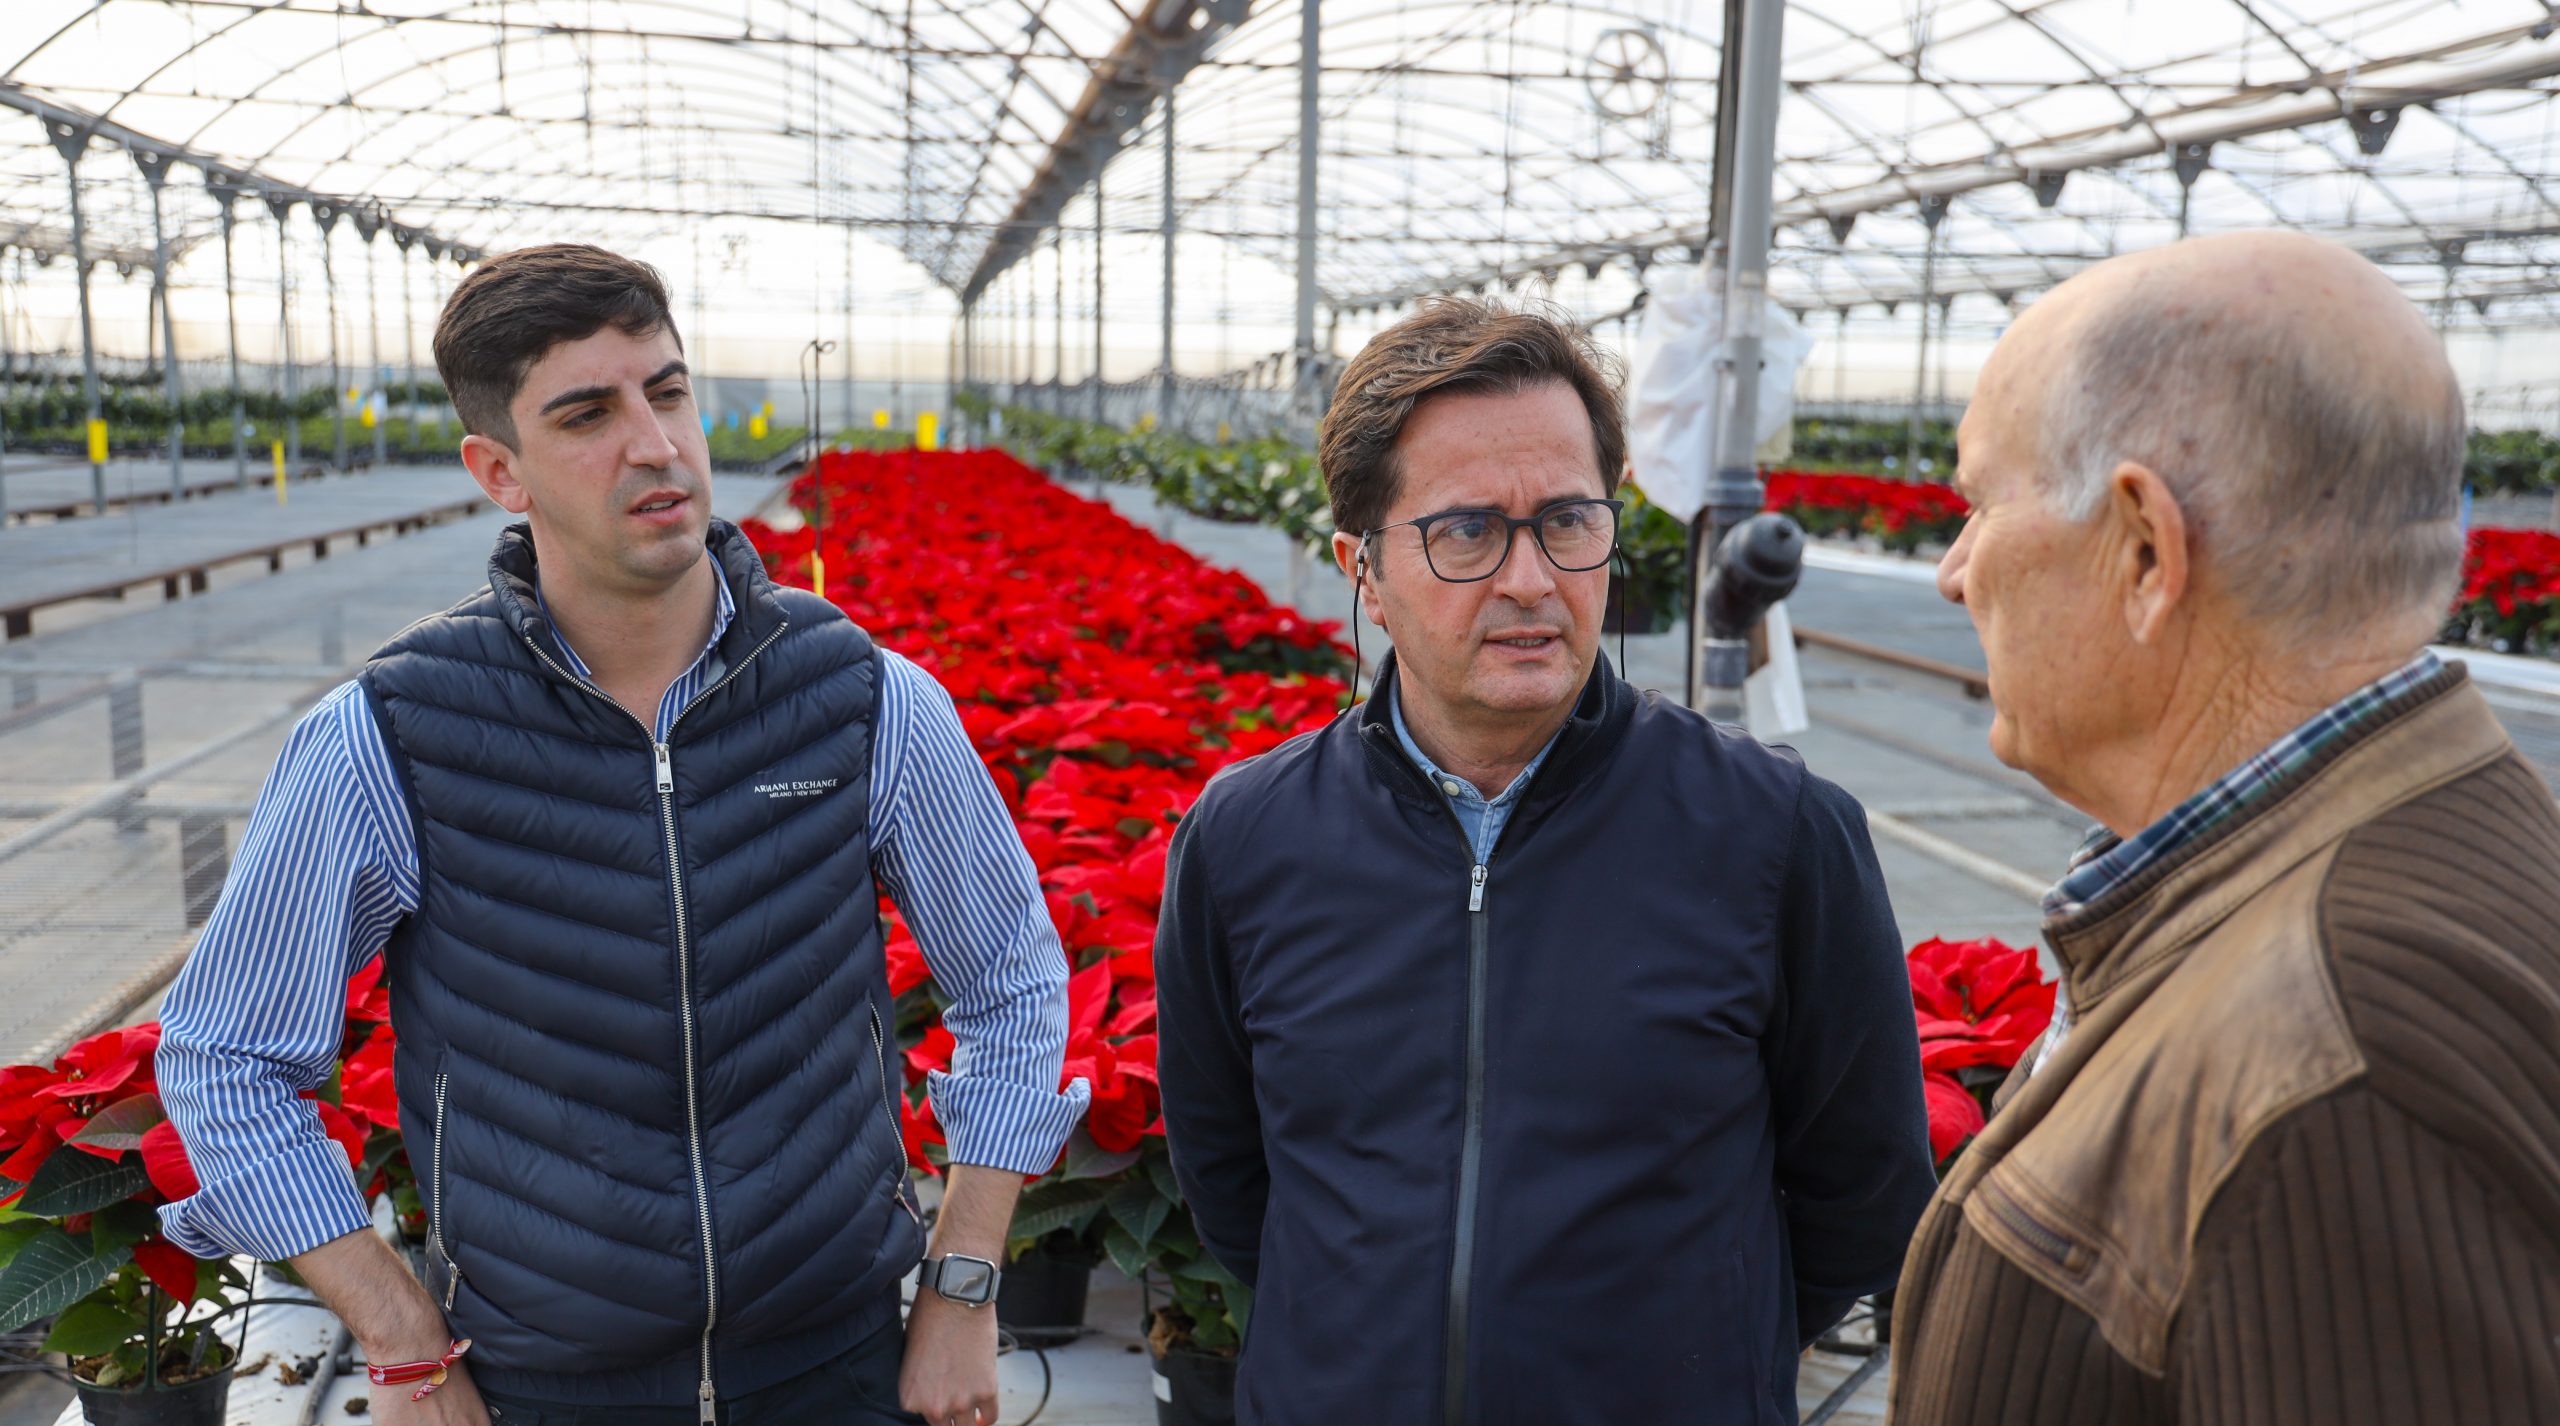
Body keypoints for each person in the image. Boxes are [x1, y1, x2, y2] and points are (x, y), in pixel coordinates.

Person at [154, 244, 1088, 1426]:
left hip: (839, 1368)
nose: (653, 443)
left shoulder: (861, 696)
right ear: (500, 469)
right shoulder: (391, 735)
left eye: (668, 390)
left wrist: (962, 1286)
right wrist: (399, 1340)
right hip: (537, 1390)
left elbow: (1009, 982)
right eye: (588, 413)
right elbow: (227, 1058)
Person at [1154, 298, 1937, 1425]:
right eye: (1465, 531)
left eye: (1567, 521)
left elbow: (1862, 1196)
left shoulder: (1773, 832)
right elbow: (1232, 1187)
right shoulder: (1246, 840)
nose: (1529, 578)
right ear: (1361, 569)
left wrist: (1699, 1358)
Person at [1893, 230, 2560, 1421]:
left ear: (2145, 549)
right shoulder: (2412, 856)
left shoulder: (2336, 1066)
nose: (1952, 571)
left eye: (1979, 502)